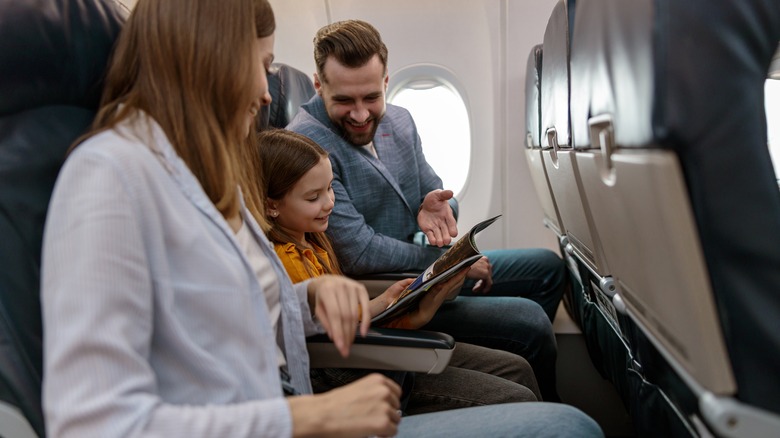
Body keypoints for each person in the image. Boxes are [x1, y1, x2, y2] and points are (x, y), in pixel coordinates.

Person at [40, 0, 604, 437]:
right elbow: (93, 423)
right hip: (290, 417)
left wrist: (308, 300)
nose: (266, 93)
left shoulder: (197, 168)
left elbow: (239, 314)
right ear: (205, 58)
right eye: (259, 66)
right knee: (567, 427)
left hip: (296, 403)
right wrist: (312, 419)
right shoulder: (110, 177)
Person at [287, 18, 563, 402]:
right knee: (529, 322)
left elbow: (438, 192)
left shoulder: (400, 119)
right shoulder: (306, 146)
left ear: (386, 82)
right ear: (319, 86)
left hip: (423, 266)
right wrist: (450, 263)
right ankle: (543, 414)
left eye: (371, 97)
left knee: (547, 268)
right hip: (392, 285)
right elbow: (360, 251)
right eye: (345, 101)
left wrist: (440, 205)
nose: (362, 114)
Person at [254, 128, 541, 414]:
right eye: (313, 197)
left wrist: (396, 302)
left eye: (329, 188)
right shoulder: (286, 259)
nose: (329, 203)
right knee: (518, 394)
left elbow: (342, 317)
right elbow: (327, 333)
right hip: (351, 370)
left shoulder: (313, 241)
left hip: (367, 348)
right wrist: (399, 313)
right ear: (272, 206)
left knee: (517, 368)